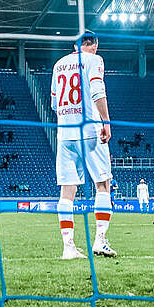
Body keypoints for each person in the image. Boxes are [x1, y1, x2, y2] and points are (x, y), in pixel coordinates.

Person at [50, 30, 115, 259]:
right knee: (103, 184)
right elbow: (97, 91)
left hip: (65, 134)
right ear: (94, 45)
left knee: (67, 191)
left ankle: (68, 247)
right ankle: (100, 240)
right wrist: (106, 122)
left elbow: (55, 103)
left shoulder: (59, 64)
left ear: (75, 45)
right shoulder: (94, 60)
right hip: (90, 130)